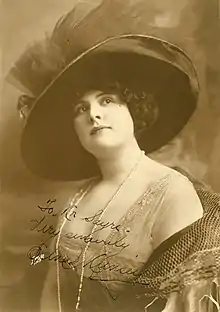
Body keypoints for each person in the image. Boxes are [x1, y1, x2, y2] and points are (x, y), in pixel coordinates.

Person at [7, 2, 220, 312]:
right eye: (80, 109)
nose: (94, 114)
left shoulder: (173, 195)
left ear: (134, 109)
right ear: (74, 129)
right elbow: (49, 296)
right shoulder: (74, 201)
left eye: (107, 100)